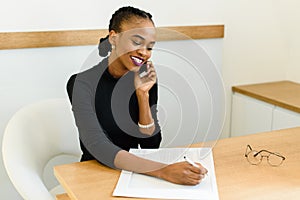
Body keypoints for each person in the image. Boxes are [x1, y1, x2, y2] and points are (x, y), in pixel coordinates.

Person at [66, 6, 207, 185]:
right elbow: (98, 147)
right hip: (95, 173)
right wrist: (163, 171)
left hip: (134, 174)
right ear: (114, 38)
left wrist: (143, 95)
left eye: (149, 47)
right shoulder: (82, 83)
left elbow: (151, 145)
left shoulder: (145, 78)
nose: (144, 52)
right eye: (137, 42)